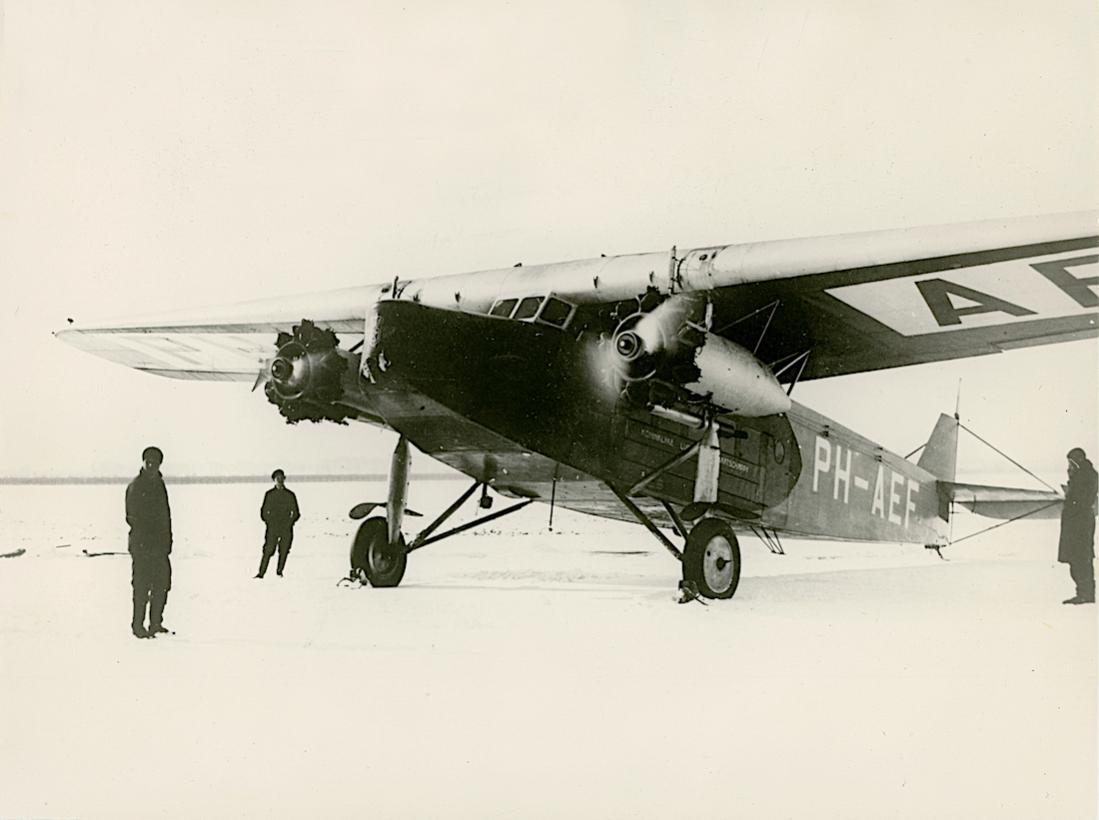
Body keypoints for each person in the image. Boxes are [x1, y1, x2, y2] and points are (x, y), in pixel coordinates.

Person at [126, 446, 173, 638]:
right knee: (142, 586)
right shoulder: (136, 486)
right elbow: (131, 517)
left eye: (156, 462)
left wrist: (168, 539)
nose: (152, 465)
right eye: (149, 462)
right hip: (142, 546)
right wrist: (147, 538)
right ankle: (138, 626)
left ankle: (155, 623)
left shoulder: (159, 485)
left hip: (159, 547)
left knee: (162, 584)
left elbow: (166, 515)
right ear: (144, 462)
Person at [1058, 447, 1097, 605]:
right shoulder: (1086, 475)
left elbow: (1081, 499)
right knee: (1079, 559)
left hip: (1080, 524)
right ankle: (1084, 593)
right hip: (1079, 522)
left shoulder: (1085, 476)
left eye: (1070, 463)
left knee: (1080, 559)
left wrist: (1070, 493)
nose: (1069, 467)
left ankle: (1085, 594)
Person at [256, 469, 300, 578]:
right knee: (268, 550)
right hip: (272, 527)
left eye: (281, 478)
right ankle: (261, 573)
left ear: (284, 479)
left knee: (284, 550)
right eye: (277, 479)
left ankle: (279, 572)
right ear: (274, 480)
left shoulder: (290, 495)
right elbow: (263, 512)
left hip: (286, 527)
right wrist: (269, 522)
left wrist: (290, 522)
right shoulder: (269, 495)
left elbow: (296, 513)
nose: (279, 481)